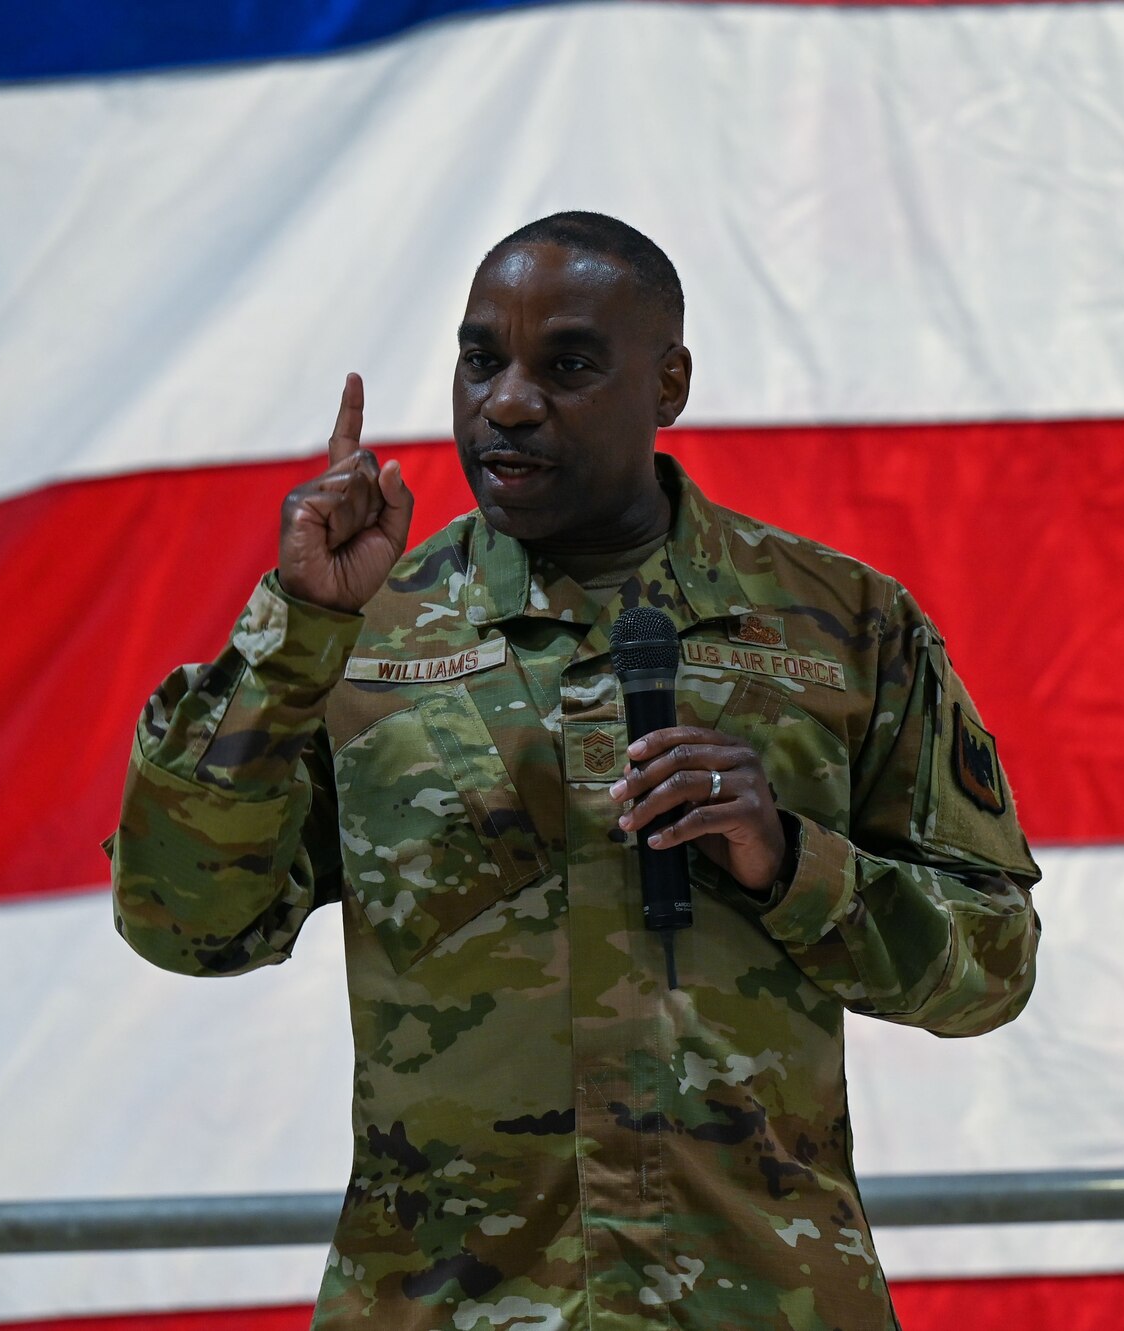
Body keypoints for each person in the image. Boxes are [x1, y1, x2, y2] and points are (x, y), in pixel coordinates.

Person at [108, 212, 1041, 1329]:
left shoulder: (842, 624)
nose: (506, 400)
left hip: (756, 1301)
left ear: (668, 383)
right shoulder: (359, 634)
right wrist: (295, 628)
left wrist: (789, 859)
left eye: (569, 365)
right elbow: (185, 924)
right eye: (479, 360)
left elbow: (991, 967)